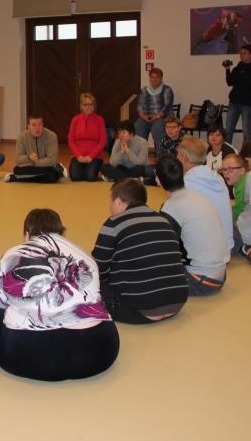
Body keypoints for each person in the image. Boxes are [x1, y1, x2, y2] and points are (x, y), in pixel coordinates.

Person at [0, 209, 119, 382]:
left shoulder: (14, 254)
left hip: (37, 356)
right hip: (100, 352)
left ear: (27, 234)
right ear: (61, 232)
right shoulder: (83, 254)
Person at [91, 178, 188, 324]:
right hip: (177, 302)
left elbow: (98, 270)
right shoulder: (163, 220)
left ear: (118, 202)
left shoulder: (113, 224)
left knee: (89, 282)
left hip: (139, 310)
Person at [156, 156, 230, 296]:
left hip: (201, 281)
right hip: (220, 275)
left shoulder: (170, 208)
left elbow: (164, 251)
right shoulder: (198, 196)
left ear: (158, 180)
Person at [177, 136, 235, 254]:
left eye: (177, 154)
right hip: (227, 247)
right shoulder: (217, 177)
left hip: (206, 252)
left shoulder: (187, 183)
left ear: (183, 158)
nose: (176, 158)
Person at [4, 114, 64, 183]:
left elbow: (52, 160)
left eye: (39, 124)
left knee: (51, 175)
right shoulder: (22, 137)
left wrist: (34, 163)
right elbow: (18, 159)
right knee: (17, 170)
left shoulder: (51, 136)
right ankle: (57, 171)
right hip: (36, 168)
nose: (37, 128)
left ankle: (17, 178)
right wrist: (29, 158)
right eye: (33, 125)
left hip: (46, 166)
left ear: (43, 125)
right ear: (28, 126)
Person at [224, 44, 251, 145]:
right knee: (228, 129)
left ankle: (247, 153)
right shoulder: (237, 68)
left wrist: (238, 79)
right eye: (241, 53)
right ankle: (227, 151)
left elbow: (249, 83)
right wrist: (227, 70)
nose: (241, 55)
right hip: (234, 101)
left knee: (246, 131)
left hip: (247, 103)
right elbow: (230, 82)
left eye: (244, 53)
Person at [134, 67, 174, 155]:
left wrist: (156, 117)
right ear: (150, 78)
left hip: (163, 118)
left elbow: (167, 107)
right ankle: (140, 155)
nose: (154, 79)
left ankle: (160, 155)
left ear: (161, 78)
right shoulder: (144, 90)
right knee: (137, 126)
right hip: (147, 118)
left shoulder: (167, 90)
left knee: (157, 128)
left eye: (157, 77)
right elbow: (140, 106)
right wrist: (144, 116)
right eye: (152, 77)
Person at [100, 120, 154, 184]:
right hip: (123, 169)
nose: (121, 135)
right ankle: (131, 179)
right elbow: (112, 163)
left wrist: (128, 150)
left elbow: (140, 163)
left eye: (124, 133)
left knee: (144, 169)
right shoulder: (117, 142)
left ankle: (117, 178)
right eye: (119, 133)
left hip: (137, 168)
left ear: (131, 133)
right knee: (104, 167)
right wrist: (122, 152)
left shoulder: (142, 142)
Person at [67, 92, 106, 182]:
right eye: (85, 104)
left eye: (91, 104)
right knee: (75, 177)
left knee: (90, 177)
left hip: (95, 156)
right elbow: (71, 140)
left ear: (94, 106)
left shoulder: (100, 120)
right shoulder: (75, 120)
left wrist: (91, 156)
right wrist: (78, 155)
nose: (88, 107)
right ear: (81, 106)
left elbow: (103, 141)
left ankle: (92, 168)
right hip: (78, 155)